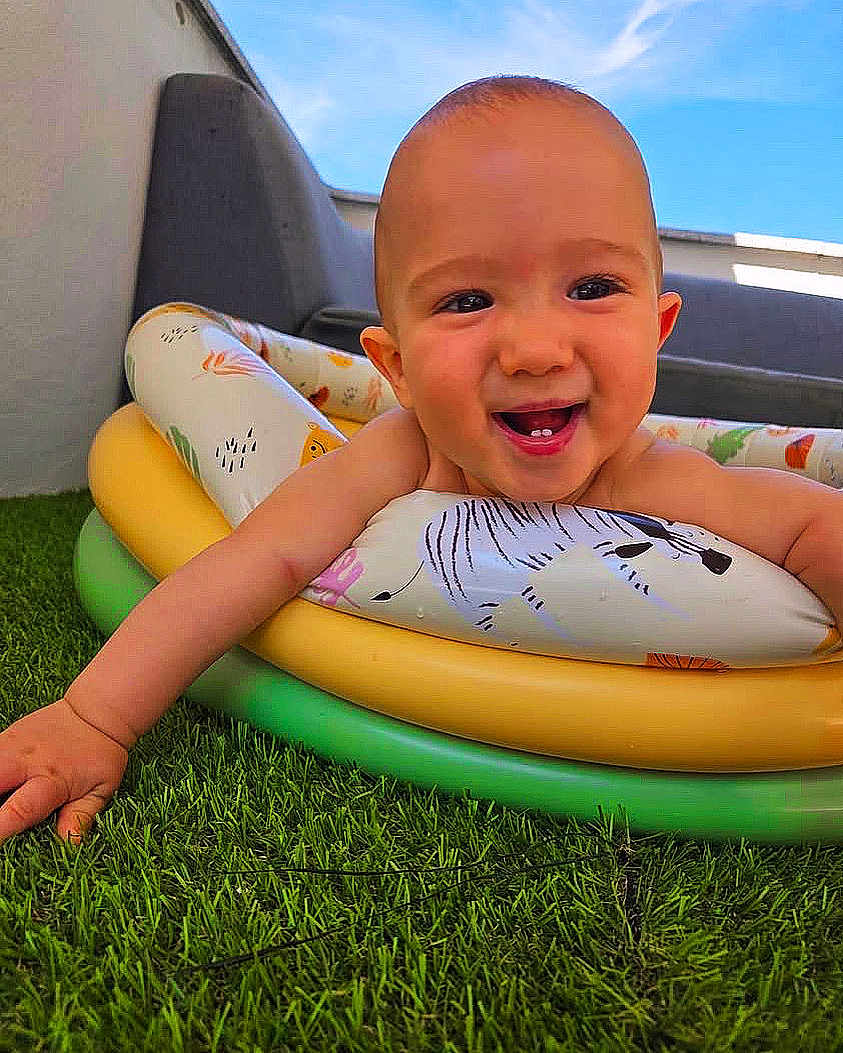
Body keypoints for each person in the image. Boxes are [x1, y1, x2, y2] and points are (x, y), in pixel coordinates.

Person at [1, 76, 841, 844]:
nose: (535, 349)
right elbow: (250, 558)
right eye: (467, 300)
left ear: (656, 333)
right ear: (394, 369)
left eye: (591, 288)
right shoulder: (396, 455)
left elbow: (810, 521)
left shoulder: (663, 480)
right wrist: (94, 715)